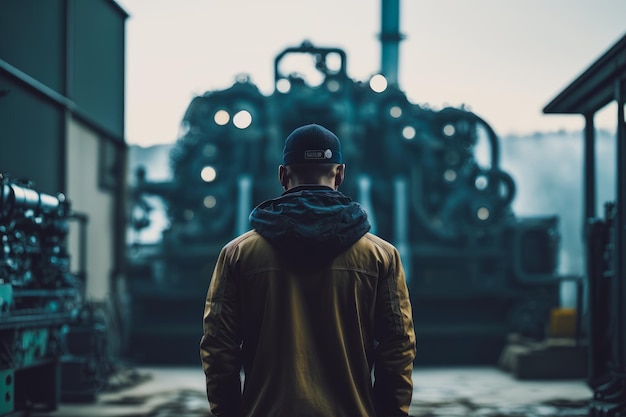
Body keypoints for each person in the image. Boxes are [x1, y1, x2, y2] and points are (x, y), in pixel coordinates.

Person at [200, 123, 416, 417]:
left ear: (283, 175)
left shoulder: (237, 254)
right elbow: (398, 347)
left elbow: (219, 348)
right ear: (340, 173)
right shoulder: (381, 256)